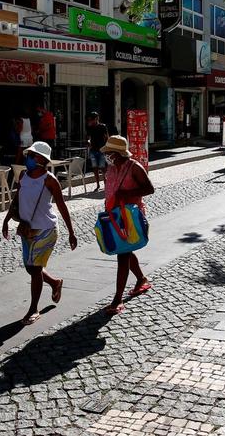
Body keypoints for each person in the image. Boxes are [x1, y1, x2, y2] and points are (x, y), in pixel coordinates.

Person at [2, 141, 77, 325]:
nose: (28, 158)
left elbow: (61, 205)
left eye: (32, 155)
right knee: (30, 267)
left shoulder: (50, 180)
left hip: (46, 229)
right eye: (29, 155)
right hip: (27, 229)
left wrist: (71, 232)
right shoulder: (23, 175)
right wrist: (6, 220)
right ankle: (54, 282)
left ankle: (33, 309)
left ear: (42, 159)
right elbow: (16, 200)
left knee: (35, 269)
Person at [101, 135, 155, 315]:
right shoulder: (110, 168)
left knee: (122, 254)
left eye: (108, 152)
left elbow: (149, 189)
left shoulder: (134, 167)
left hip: (130, 217)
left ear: (117, 154)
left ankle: (117, 299)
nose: (106, 155)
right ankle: (141, 279)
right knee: (126, 250)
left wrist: (127, 193)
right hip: (114, 215)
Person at [85, 112, 109, 191]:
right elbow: (88, 137)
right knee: (95, 168)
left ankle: (106, 184)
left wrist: (106, 148)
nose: (90, 121)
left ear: (96, 119)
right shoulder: (90, 127)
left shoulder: (103, 126)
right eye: (89, 120)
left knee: (103, 168)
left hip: (101, 150)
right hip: (93, 150)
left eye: (92, 120)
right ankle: (98, 185)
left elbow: (106, 137)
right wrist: (88, 141)